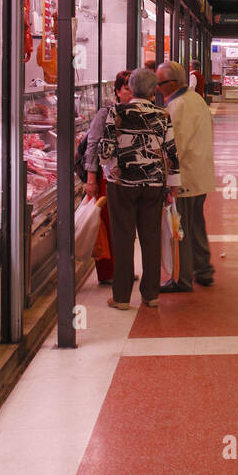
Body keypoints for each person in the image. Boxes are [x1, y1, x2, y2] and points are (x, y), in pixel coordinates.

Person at [95, 67, 180, 310]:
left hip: (122, 185)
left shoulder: (115, 112)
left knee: (122, 239)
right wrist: (172, 185)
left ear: (131, 88)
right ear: (154, 90)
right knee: (151, 237)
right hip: (154, 184)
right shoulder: (162, 115)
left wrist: (107, 161)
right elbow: (172, 153)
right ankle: (151, 294)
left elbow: (105, 152)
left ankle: (121, 297)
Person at [158, 61, 218, 292]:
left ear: (171, 83)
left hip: (184, 179)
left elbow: (175, 147)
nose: (158, 88)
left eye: (160, 83)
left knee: (179, 229)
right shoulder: (195, 100)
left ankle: (181, 280)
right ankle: (203, 270)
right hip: (199, 175)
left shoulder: (179, 105)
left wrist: (167, 179)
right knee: (195, 225)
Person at [82, 69, 133, 285]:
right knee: (108, 226)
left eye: (134, 88)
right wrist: (91, 179)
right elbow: (92, 146)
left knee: (126, 228)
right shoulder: (106, 113)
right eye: (126, 89)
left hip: (131, 180)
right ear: (117, 91)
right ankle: (108, 272)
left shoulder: (141, 112)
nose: (130, 93)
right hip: (107, 179)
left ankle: (124, 270)